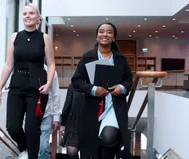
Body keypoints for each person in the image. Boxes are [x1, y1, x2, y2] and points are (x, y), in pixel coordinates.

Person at [0, 3, 55, 159]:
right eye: (24, 13)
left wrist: (48, 84)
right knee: (13, 127)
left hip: (37, 87)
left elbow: (51, 64)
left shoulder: (44, 37)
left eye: (31, 13)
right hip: (16, 85)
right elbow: (9, 64)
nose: (27, 16)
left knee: (32, 128)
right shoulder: (15, 37)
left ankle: (32, 156)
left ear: (38, 18)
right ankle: (26, 148)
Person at [71, 22, 133, 159]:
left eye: (109, 32)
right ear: (96, 36)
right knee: (91, 145)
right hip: (92, 105)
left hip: (113, 105)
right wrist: (93, 89)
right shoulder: (87, 57)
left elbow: (129, 81)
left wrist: (121, 88)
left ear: (114, 37)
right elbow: (76, 81)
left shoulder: (121, 59)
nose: (105, 34)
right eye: (101, 31)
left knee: (108, 138)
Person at [38, 65, 61, 159]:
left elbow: (56, 95)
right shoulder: (27, 69)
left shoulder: (51, 72)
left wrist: (56, 117)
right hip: (30, 115)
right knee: (32, 146)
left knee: (44, 146)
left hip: (46, 114)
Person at [60, 83, 85, 159]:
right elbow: (67, 105)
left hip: (90, 123)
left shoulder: (97, 84)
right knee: (71, 151)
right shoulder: (73, 85)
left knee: (87, 154)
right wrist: (62, 124)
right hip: (73, 122)